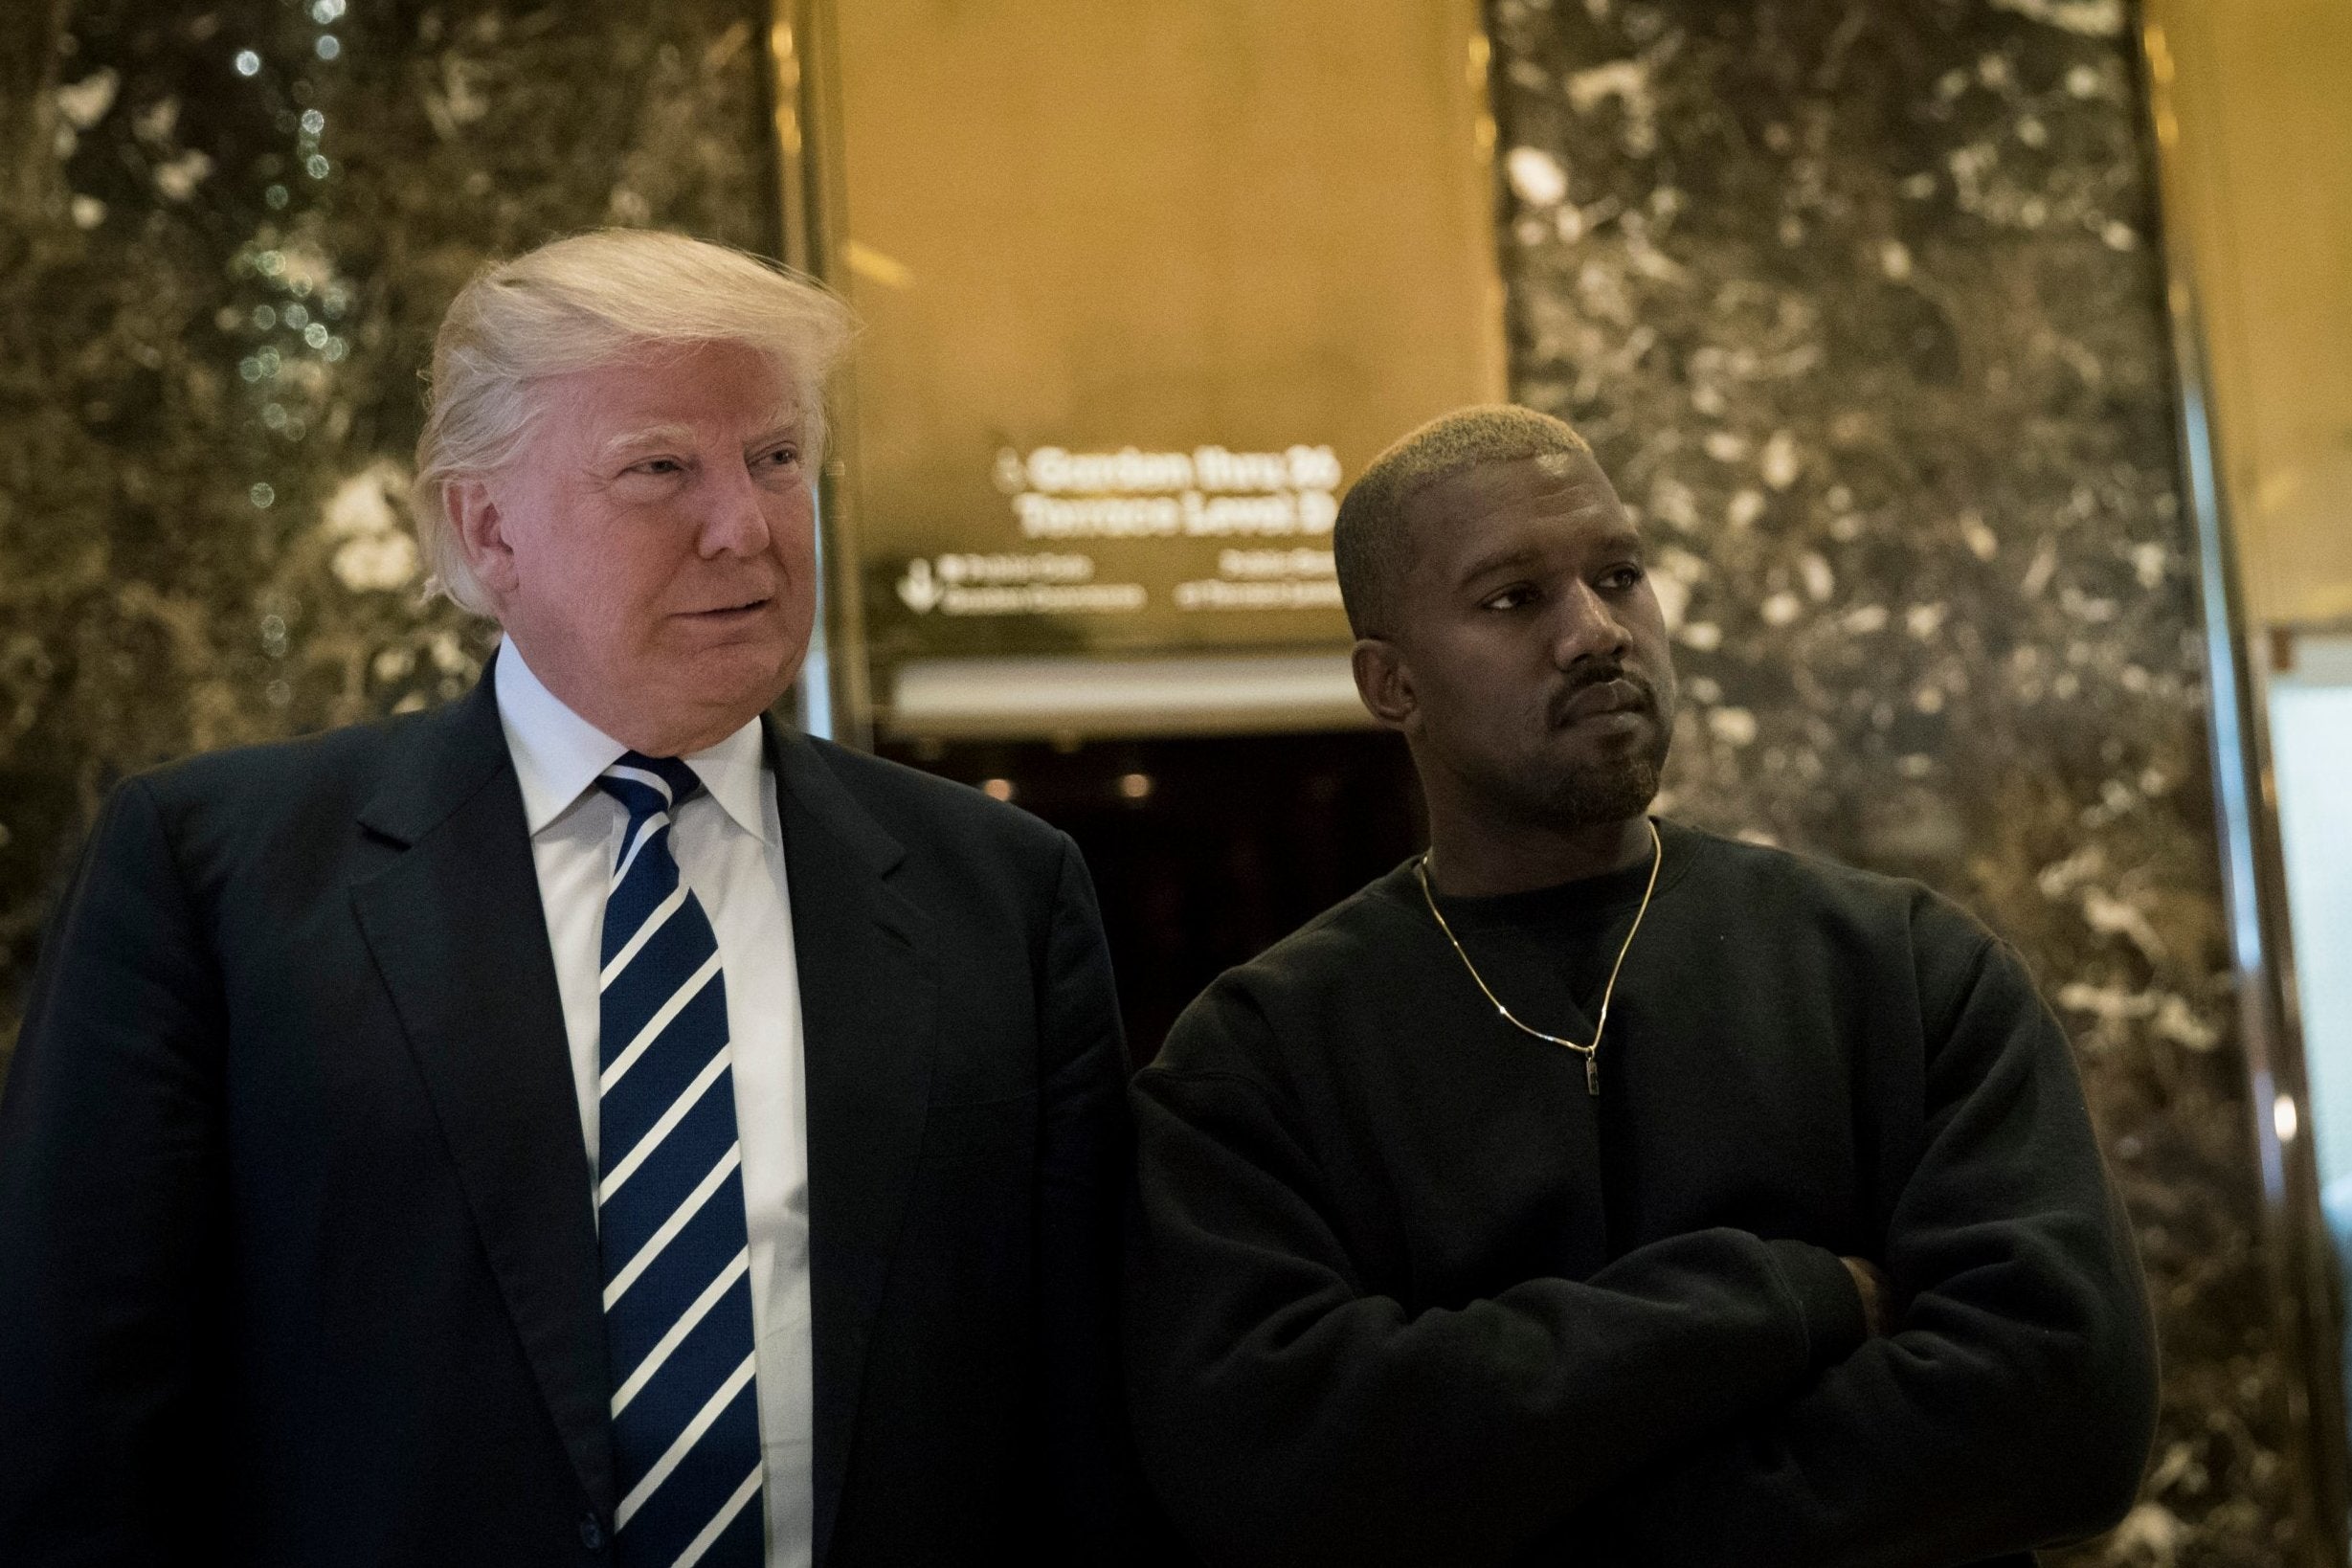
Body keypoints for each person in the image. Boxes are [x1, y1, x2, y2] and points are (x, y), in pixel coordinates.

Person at [0, 231, 1146, 1566]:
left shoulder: (996, 889)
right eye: (660, 468)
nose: (747, 524)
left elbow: (1090, 1416)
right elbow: (70, 1405)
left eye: (776, 458)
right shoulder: (221, 871)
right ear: (488, 528)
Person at [1123, 405, 2159, 1567]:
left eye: (1619, 574)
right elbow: (1271, 1467)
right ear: (1392, 684)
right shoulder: (1263, 1054)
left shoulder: (1902, 969)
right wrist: (1789, 1300)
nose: (1595, 632)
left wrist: (1531, 1511)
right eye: (1515, 598)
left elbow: (2067, 1414)